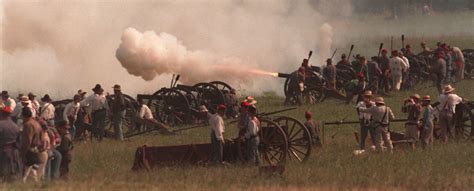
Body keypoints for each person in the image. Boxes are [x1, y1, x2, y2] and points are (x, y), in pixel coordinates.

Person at [20, 107, 46, 182]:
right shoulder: (36, 123)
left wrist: (23, 153)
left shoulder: (28, 125)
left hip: (29, 150)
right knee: (32, 171)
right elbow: (42, 137)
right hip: (36, 149)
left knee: (26, 172)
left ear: (24, 116)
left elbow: (27, 141)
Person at [0, 106, 22, 182]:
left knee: (2, 171)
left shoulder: (1, 124)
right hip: (14, 151)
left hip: (2, 151)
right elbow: (19, 141)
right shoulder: (16, 126)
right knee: (12, 171)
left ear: (2, 113)